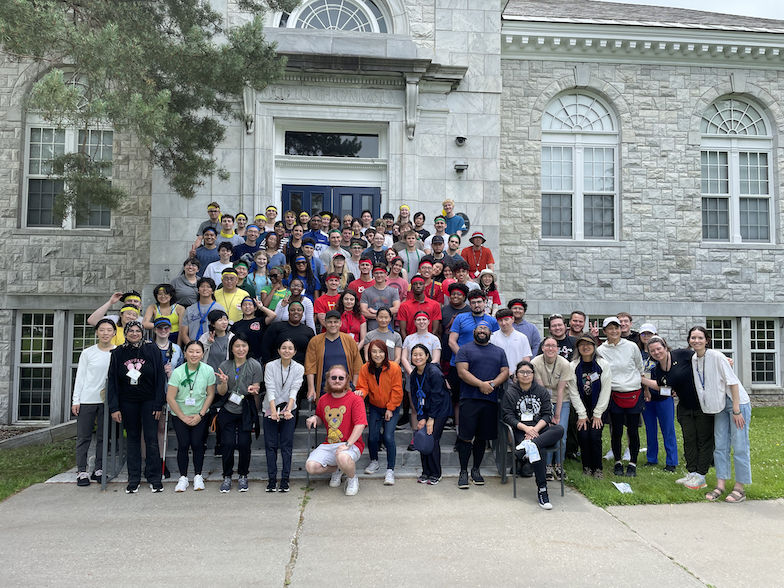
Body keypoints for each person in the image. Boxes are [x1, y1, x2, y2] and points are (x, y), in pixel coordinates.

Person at [687, 327, 752, 503]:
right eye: (693, 338)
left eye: (700, 337)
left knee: (739, 445)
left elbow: (733, 383)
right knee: (720, 445)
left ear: (706, 340)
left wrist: (737, 410)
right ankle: (720, 485)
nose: (696, 341)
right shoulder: (694, 359)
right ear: (689, 340)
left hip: (736, 403)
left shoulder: (717, 356)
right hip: (718, 405)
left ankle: (740, 488)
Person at [107, 320, 167, 493]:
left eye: (137, 330)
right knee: (132, 439)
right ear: (125, 333)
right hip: (128, 401)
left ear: (143, 332)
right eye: (130, 331)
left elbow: (160, 377)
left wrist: (158, 403)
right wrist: (114, 407)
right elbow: (113, 380)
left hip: (149, 401)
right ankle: (133, 478)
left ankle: (154, 477)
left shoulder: (152, 349)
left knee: (151, 439)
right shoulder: (118, 352)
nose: (134, 333)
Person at [502, 360, 564, 510]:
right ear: (516, 375)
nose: (525, 375)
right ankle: (543, 491)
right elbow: (508, 416)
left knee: (559, 429)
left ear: (533, 375)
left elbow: (548, 415)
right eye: (522, 372)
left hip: (539, 429)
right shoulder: (510, 392)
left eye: (528, 372)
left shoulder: (541, 391)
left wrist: (535, 430)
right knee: (540, 449)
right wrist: (527, 430)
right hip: (521, 432)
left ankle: (528, 447)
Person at [455, 322, 509, 489]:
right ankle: (463, 471)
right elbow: (462, 372)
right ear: (474, 331)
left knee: (482, 437)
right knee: (465, 436)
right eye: (480, 328)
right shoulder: (464, 349)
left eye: (486, 329)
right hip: (469, 399)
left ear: (490, 332)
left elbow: (505, 371)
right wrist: (481, 384)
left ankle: (476, 470)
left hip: (490, 400)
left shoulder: (499, 351)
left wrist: (491, 385)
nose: (483, 331)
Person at [305, 365, 368, 496]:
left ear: (347, 380)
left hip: (352, 444)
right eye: (333, 378)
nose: (337, 380)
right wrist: (315, 418)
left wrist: (348, 444)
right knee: (310, 467)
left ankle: (352, 479)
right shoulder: (323, 399)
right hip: (330, 444)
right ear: (328, 379)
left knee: (343, 457)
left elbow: (360, 424)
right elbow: (321, 418)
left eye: (341, 378)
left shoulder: (355, 399)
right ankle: (337, 469)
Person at [595, 316, 645, 477]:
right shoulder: (601, 350)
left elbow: (639, 367)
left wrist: (644, 387)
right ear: (604, 331)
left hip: (633, 392)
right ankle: (617, 461)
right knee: (616, 431)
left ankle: (632, 463)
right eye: (610, 328)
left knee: (632, 431)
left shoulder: (631, 346)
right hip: (614, 394)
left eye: (616, 327)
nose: (614, 331)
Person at [215, 334, 263, 493]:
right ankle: (227, 476)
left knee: (244, 444)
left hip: (245, 409)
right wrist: (223, 382)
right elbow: (221, 393)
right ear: (232, 348)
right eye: (237, 346)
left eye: (244, 345)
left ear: (248, 347)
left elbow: (256, 388)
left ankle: (243, 475)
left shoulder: (255, 365)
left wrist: (253, 390)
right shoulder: (225, 364)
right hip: (228, 408)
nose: (241, 349)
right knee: (227, 444)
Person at [166, 340, 216, 492]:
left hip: (200, 414)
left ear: (202, 354)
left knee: (197, 444)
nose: (194, 354)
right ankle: (183, 478)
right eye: (191, 351)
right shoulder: (178, 372)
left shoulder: (208, 370)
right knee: (183, 444)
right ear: (185, 353)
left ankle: (198, 476)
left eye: (198, 352)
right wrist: (182, 416)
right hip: (180, 414)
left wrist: (200, 415)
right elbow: (170, 397)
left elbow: (210, 394)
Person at [72, 318, 116, 486]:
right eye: (102, 330)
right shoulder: (88, 353)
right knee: (84, 437)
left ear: (114, 333)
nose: (105, 333)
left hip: (107, 401)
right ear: (97, 332)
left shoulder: (118, 352)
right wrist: (76, 400)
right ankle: (82, 471)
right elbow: (80, 377)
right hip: (88, 399)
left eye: (109, 330)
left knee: (104, 437)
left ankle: (99, 469)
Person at [357, 339, 404, 485]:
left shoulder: (394, 367)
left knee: (389, 437)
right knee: (372, 437)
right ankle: (374, 461)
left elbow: (397, 390)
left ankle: (390, 470)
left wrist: (390, 408)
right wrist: (360, 393)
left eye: (380, 351)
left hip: (392, 406)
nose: (377, 354)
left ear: (386, 352)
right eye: (374, 351)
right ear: (369, 353)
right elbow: (363, 386)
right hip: (375, 406)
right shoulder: (365, 368)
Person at [263, 339, 305, 492]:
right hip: (270, 407)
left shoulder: (299, 368)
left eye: (290, 348)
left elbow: (295, 388)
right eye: (284, 348)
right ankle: (272, 479)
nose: (287, 351)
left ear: (294, 352)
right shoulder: (271, 366)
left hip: (289, 408)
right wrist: (273, 411)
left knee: (286, 445)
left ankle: (285, 478)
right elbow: (270, 387)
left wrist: (287, 409)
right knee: (271, 445)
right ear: (279, 350)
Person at [569, 334, 612, 478]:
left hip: (598, 407)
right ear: (577, 348)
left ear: (594, 346)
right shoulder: (573, 366)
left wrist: (598, 413)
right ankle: (587, 467)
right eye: (581, 344)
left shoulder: (603, 364)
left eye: (588, 344)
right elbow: (573, 392)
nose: (585, 347)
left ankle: (597, 468)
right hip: (581, 407)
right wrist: (582, 414)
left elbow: (606, 390)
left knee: (594, 436)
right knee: (583, 435)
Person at [531, 336, 573, 481]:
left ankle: (559, 464)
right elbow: (541, 390)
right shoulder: (535, 362)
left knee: (562, 433)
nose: (550, 348)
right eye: (547, 345)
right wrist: (548, 413)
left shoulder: (564, 363)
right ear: (542, 348)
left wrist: (557, 414)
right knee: (547, 432)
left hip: (562, 401)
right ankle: (547, 465)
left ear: (558, 349)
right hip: (543, 402)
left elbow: (561, 391)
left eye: (553, 346)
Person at [638, 326, 679, 473]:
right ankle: (651, 458)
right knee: (650, 429)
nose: (647, 336)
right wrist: (647, 390)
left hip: (664, 398)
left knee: (668, 429)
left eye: (650, 333)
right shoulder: (641, 355)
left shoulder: (669, 357)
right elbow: (643, 375)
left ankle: (672, 461)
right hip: (648, 399)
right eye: (644, 333)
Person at [409, 344, 451, 484]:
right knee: (422, 438)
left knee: (431, 438)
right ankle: (425, 471)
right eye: (415, 354)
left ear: (427, 356)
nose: (418, 357)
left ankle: (435, 473)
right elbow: (415, 397)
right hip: (425, 409)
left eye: (421, 354)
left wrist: (431, 419)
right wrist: (421, 417)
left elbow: (437, 396)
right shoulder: (414, 374)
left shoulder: (433, 372)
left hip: (440, 409)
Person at [305, 311, 363, 399]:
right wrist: (311, 389)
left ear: (340, 323)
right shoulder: (315, 341)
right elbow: (310, 367)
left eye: (335, 322)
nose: (333, 325)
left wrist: (354, 386)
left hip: (346, 388)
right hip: (323, 388)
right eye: (329, 322)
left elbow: (357, 365)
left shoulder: (349, 340)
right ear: (325, 323)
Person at [261, 300, 314, 367]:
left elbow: (311, 352)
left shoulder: (308, 331)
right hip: (276, 368)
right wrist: (266, 363)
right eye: (292, 310)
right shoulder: (276, 327)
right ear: (288, 312)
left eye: (299, 310)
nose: (296, 312)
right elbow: (265, 346)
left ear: (302, 313)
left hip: (300, 370)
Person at [180, 277, 225, 345]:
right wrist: (192, 347)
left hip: (212, 345)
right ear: (198, 290)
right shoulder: (189, 309)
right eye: (202, 286)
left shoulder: (219, 308)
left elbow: (222, 331)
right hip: (193, 348)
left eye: (208, 287)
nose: (205, 289)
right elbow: (183, 333)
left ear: (213, 291)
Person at [490, 308, 532, 377]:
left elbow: (526, 359)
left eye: (506, 319)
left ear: (512, 319)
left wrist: (521, 374)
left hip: (518, 377)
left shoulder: (522, 337)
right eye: (500, 320)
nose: (504, 323)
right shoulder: (492, 338)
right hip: (499, 377)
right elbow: (493, 360)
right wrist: (510, 375)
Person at [360, 264, 400, 331]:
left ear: (386, 274)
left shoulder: (393, 291)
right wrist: (383, 317)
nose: (379, 275)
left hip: (389, 330)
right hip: (371, 330)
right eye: (376, 273)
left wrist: (376, 312)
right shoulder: (366, 292)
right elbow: (363, 312)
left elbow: (396, 308)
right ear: (373, 274)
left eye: (381, 273)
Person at [199, 309, 235, 373]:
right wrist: (208, 343)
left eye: (225, 319)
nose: (224, 322)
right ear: (213, 324)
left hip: (225, 374)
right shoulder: (205, 336)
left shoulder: (232, 337)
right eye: (220, 320)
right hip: (207, 373)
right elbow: (198, 352)